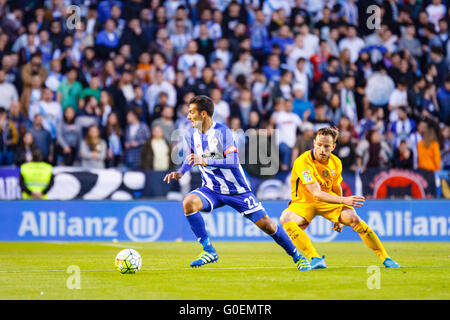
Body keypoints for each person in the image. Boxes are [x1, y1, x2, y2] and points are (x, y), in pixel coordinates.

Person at [163, 95, 311, 271]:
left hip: (237, 190)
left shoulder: (223, 132)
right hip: (212, 189)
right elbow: (193, 157)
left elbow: (233, 161)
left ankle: (297, 257)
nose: (188, 117)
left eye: (191, 112)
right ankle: (209, 250)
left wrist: (206, 161)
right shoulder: (192, 134)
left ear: (203, 114)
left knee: (268, 225)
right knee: (188, 202)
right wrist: (180, 172)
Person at [279, 127, 400, 269]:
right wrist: (344, 201)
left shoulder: (336, 162)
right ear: (314, 143)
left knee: (354, 219)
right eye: (319, 145)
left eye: (326, 146)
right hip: (304, 202)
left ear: (333, 147)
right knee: (286, 218)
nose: (322, 150)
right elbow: (316, 193)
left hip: (327, 202)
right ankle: (314, 258)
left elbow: (336, 187)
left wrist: (340, 211)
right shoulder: (303, 161)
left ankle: (385, 257)